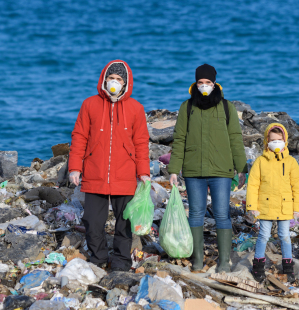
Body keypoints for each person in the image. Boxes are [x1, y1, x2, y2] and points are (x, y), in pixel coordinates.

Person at [68, 60, 151, 271]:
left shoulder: (136, 108)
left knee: (125, 223)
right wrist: (75, 167)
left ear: (126, 83)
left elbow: (141, 142)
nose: (114, 82)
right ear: (104, 80)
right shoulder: (90, 104)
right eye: (111, 78)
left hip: (124, 174)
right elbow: (79, 136)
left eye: (119, 79)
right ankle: (99, 259)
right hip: (95, 172)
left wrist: (143, 172)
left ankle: (121, 262)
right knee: (93, 222)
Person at [167, 64, 247, 273]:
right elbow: (180, 139)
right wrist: (174, 169)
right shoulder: (187, 107)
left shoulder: (226, 107)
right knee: (195, 214)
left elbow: (235, 139)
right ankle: (197, 260)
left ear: (215, 84)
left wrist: (241, 168)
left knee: (222, 214)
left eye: (208, 83)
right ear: (195, 83)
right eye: (201, 83)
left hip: (221, 171)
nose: (204, 86)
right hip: (193, 171)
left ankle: (223, 262)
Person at [246, 123, 299, 282]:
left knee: (284, 236)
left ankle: (288, 267)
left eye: (279, 139)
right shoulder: (260, 161)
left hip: (285, 206)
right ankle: (258, 266)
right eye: (273, 140)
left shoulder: (291, 162)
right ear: (267, 141)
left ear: (285, 140)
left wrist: (298, 207)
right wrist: (252, 205)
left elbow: (297, 186)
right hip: (265, 206)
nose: (276, 143)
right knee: (263, 235)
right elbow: (253, 184)